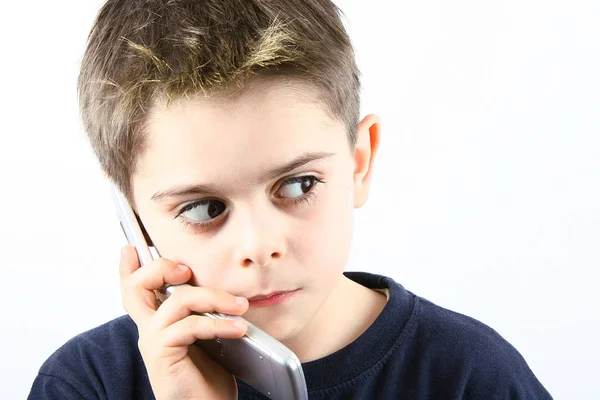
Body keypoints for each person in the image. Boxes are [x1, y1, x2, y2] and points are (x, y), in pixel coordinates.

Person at [28, 0, 552, 398]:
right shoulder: (86, 383)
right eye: (204, 208)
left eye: (299, 185)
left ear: (358, 162)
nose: (261, 247)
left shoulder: (469, 375)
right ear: (134, 218)